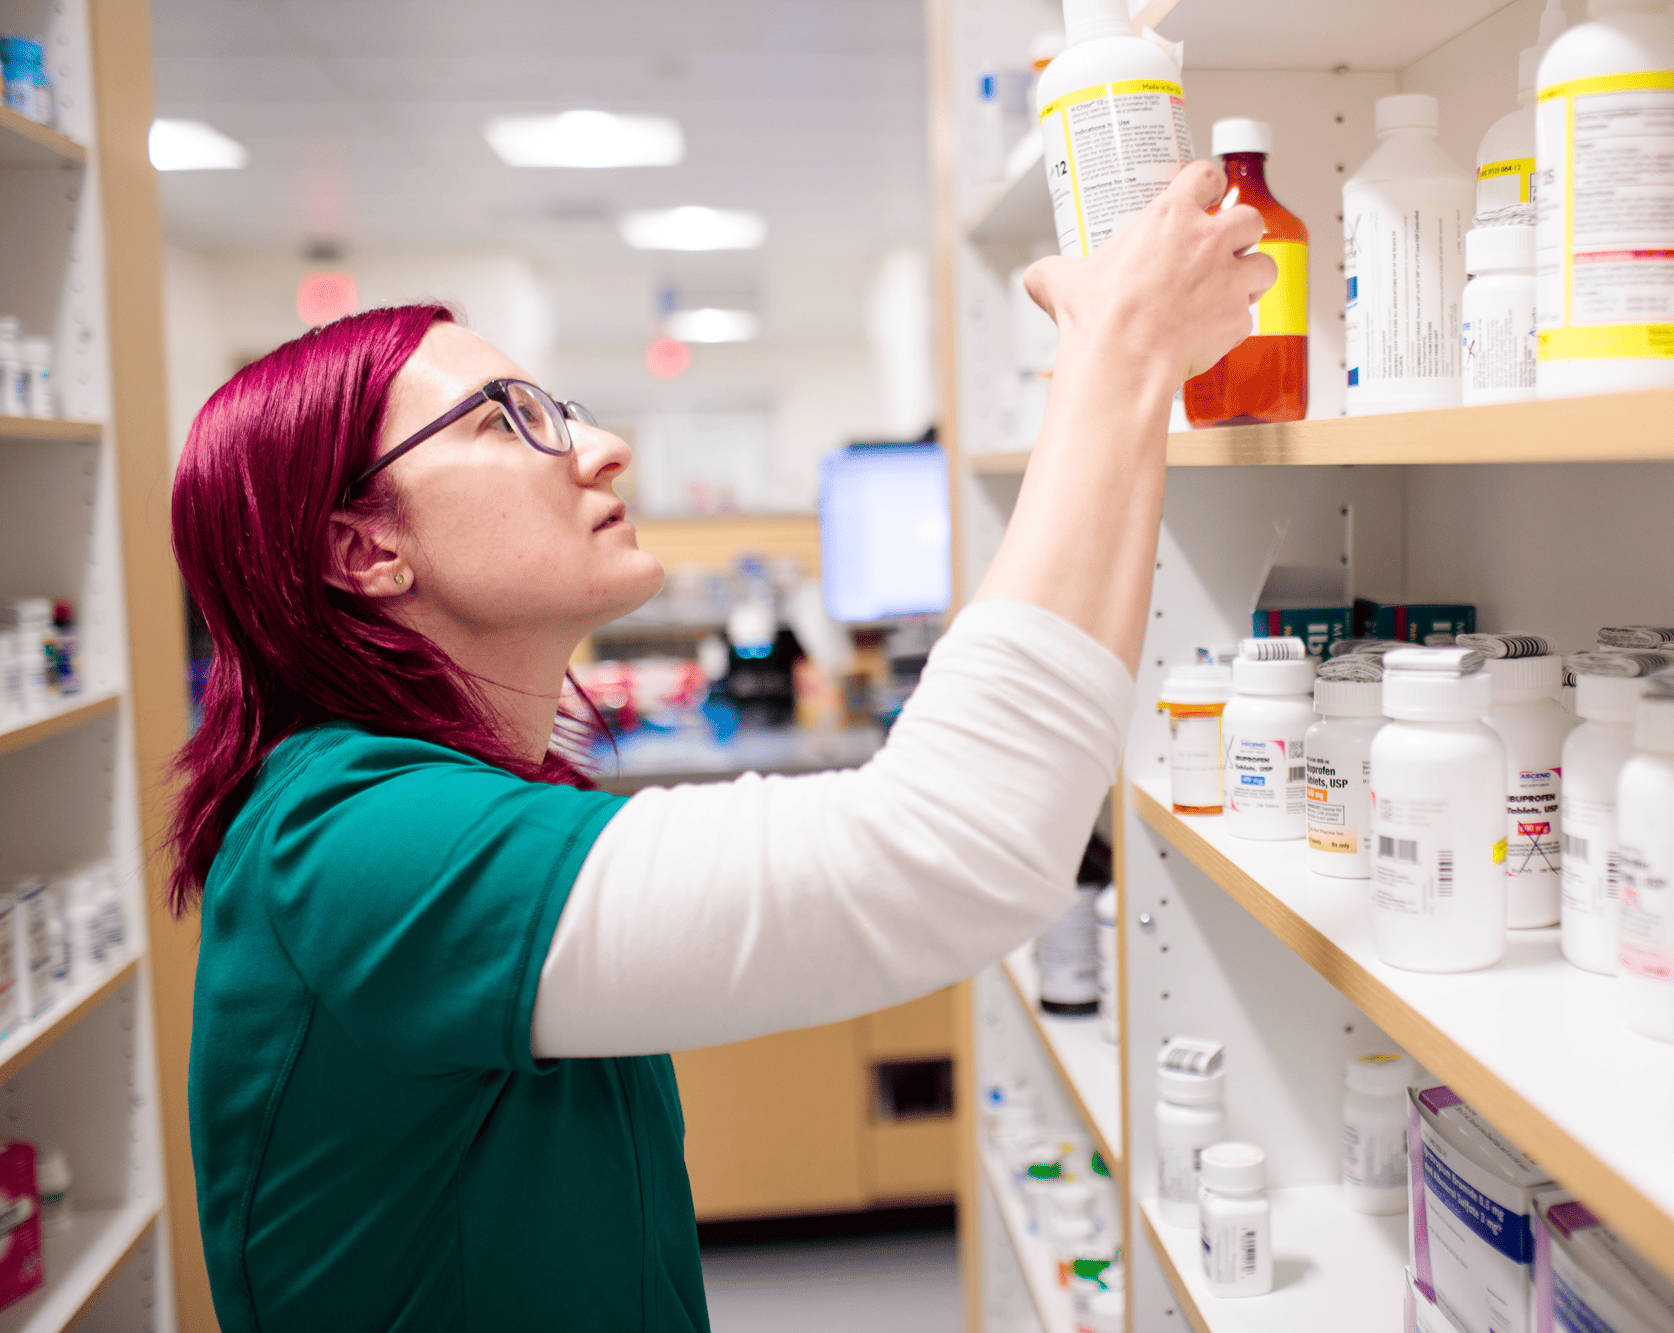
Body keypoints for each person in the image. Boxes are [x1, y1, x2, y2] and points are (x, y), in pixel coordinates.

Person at [169, 162, 1272, 1332]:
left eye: (564, 407)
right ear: (362, 550)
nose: (600, 447)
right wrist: (1120, 362)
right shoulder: (354, 846)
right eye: (512, 421)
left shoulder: (433, 797)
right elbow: (951, 853)